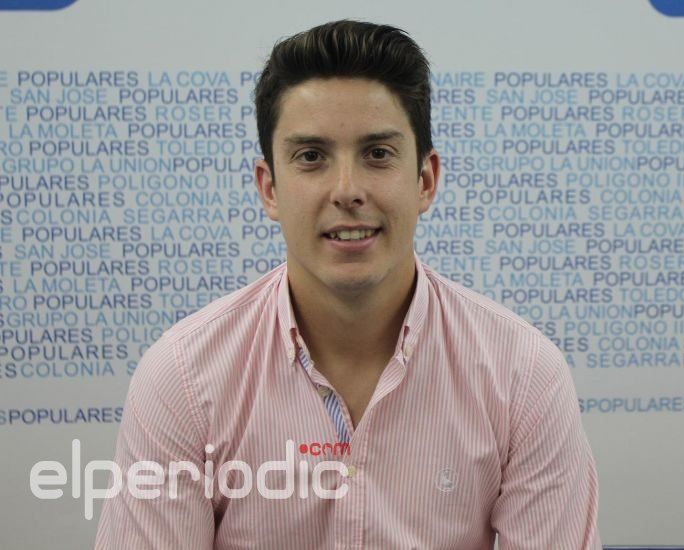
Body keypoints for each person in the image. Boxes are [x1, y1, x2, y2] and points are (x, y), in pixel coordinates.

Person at [95, 19, 601, 549]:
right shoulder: (183, 377)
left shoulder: (522, 375)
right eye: (311, 157)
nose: (347, 190)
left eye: (377, 154)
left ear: (425, 180)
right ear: (269, 189)